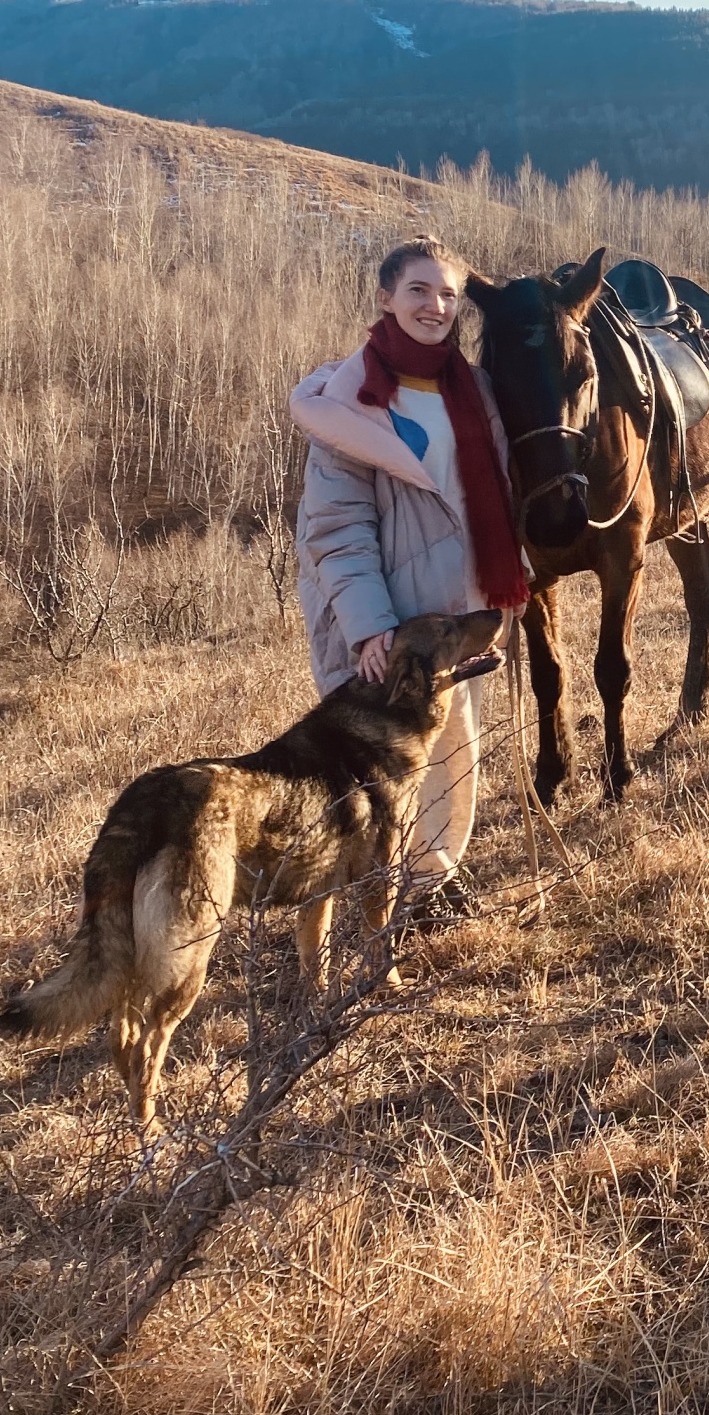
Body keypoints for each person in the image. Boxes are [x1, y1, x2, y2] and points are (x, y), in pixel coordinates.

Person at [289, 238, 526, 917]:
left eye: (449, 294)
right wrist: (369, 629)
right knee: (375, 774)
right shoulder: (352, 397)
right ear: (386, 298)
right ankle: (370, 905)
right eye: (419, 290)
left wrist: (517, 579)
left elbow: (501, 496)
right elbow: (336, 529)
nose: (436, 305)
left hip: (460, 613)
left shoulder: (474, 391)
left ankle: (432, 885)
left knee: (455, 753)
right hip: (389, 623)